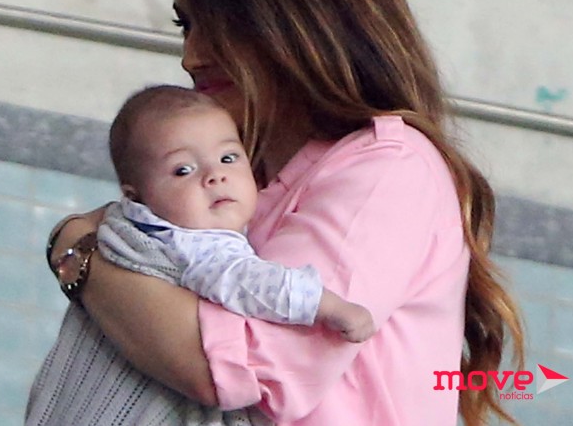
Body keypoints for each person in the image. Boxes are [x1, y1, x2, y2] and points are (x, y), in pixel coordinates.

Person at [27, 0, 525, 426]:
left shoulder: (388, 169)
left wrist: (78, 250)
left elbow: (232, 367)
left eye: (219, 24)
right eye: (186, 26)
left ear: (298, 18)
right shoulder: (243, 174)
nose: (191, 56)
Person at [98, 84, 375, 341]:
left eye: (228, 158)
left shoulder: (120, 225)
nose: (216, 175)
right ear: (136, 197)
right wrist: (326, 306)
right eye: (183, 170)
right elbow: (246, 280)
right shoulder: (193, 244)